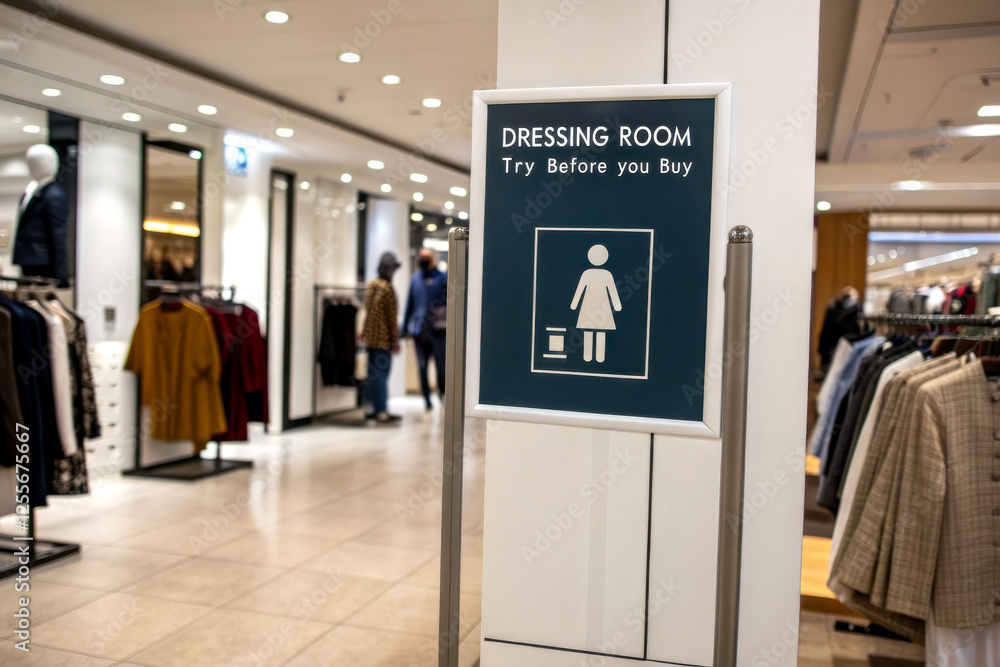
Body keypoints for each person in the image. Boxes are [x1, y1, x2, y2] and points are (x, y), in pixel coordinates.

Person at [402, 248, 448, 410]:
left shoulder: (443, 278)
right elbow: (409, 304)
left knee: (441, 368)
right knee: (422, 367)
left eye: (426, 257)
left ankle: (442, 395)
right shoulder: (415, 279)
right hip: (418, 331)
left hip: (438, 331)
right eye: (421, 257)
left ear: (433, 259)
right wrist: (404, 329)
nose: (423, 260)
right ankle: (426, 400)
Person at [361, 252, 402, 422]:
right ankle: (382, 409)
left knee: (372, 375)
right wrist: (395, 339)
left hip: (370, 338)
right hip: (384, 340)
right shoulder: (387, 288)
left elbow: (367, 312)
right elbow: (391, 317)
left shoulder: (371, 286)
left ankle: (371, 407)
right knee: (382, 375)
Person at [570, 244, 622, 363]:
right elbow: (580, 289)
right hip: (595, 306)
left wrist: (574, 304)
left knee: (597, 330)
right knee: (593, 330)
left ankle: (596, 357)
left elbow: (612, 290)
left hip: (597, 306)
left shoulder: (600, 274)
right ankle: (591, 357)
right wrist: (617, 305)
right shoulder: (594, 274)